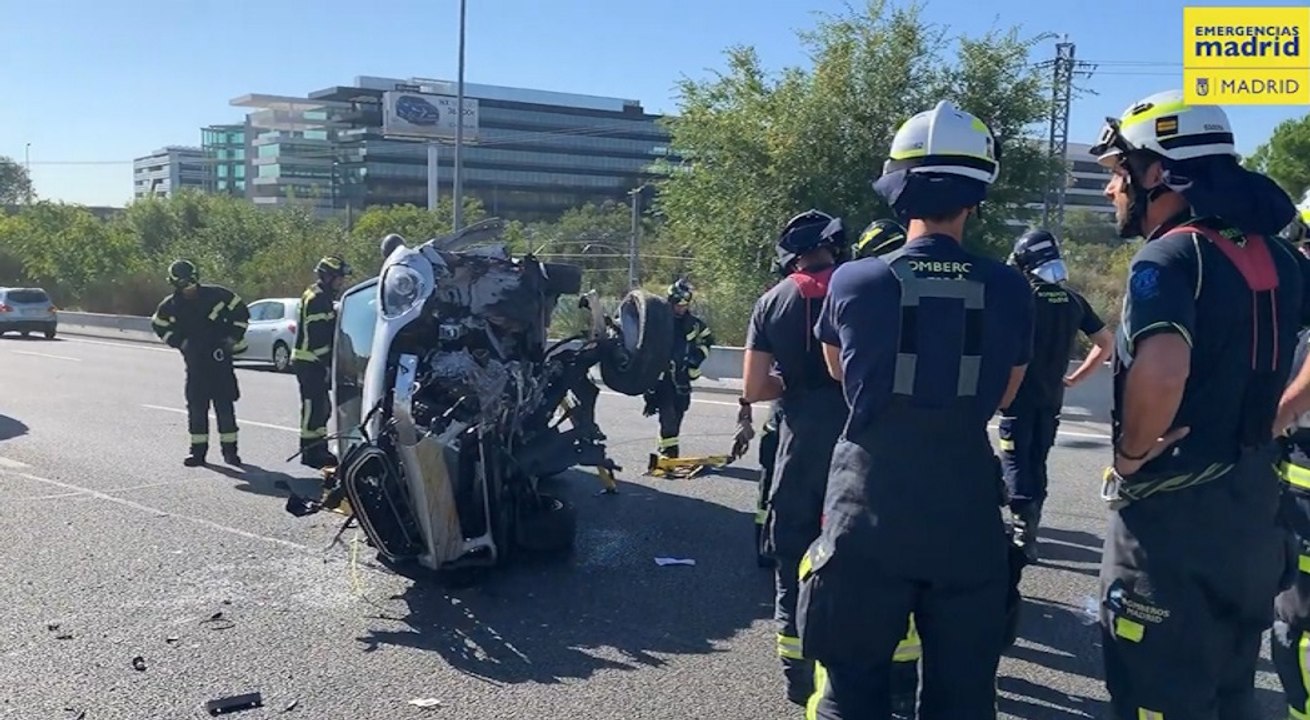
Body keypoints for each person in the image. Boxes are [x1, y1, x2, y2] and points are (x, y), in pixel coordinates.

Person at [797, 100, 1034, 719]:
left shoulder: (855, 279)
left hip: (870, 500)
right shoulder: (1010, 287)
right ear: (975, 197)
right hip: (966, 507)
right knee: (964, 696)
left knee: (851, 688)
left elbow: (836, 371)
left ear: (898, 192)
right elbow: (1008, 392)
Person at [1089, 89, 1307, 719]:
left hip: (1172, 526)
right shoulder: (1288, 259)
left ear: (1158, 171)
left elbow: (1161, 370)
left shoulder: (1168, 256)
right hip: (1254, 514)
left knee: (1157, 693)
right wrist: (1282, 412)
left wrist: (1130, 456)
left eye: (1119, 172)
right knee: (1230, 691)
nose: (1112, 190)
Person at [1000, 229, 1113, 562]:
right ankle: (1031, 524)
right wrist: (1076, 378)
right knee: (1038, 461)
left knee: (1016, 461)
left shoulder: (1021, 299)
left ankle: (1023, 534)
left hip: (1017, 397)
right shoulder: (1074, 301)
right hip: (1052, 398)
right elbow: (1106, 342)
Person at [150, 259, 251, 467]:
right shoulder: (171, 305)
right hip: (196, 366)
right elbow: (159, 324)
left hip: (220, 362)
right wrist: (180, 342)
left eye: (191, 283)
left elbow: (241, 312)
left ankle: (230, 453)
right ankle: (197, 453)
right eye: (184, 284)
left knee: (225, 409)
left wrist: (233, 337)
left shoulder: (218, 295)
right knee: (197, 409)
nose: (189, 288)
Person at [293, 255, 353, 469]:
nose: (341, 282)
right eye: (339, 278)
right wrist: (328, 365)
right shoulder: (318, 298)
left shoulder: (321, 296)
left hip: (314, 361)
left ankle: (319, 448)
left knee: (322, 408)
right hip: (311, 362)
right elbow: (318, 337)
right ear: (327, 277)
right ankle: (310, 452)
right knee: (313, 407)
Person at [643, 279, 714, 458]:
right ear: (671, 301)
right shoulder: (659, 322)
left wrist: (696, 358)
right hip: (663, 378)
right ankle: (668, 452)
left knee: (679, 412)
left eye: (685, 305)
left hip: (683, 378)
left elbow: (707, 340)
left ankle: (670, 448)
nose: (681, 308)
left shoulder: (694, 323)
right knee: (667, 415)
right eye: (678, 305)